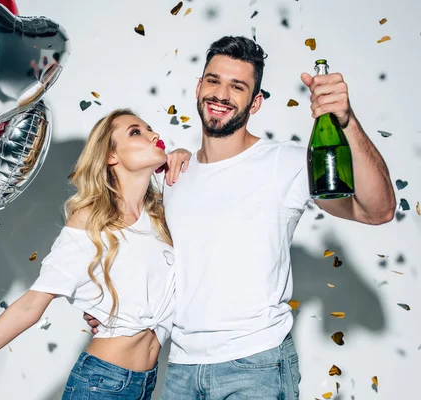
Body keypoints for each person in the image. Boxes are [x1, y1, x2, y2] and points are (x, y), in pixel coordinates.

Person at [85, 36, 396, 399]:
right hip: (181, 369)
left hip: (255, 368)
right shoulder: (172, 173)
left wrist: (347, 120)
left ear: (255, 102)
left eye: (238, 86)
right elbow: (153, 259)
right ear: (199, 87)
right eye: (214, 81)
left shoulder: (286, 162)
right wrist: (112, 308)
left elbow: (378, 210)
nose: (221, 94)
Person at [0, 109, 191, 399]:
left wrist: (189, 162)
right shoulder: (90, 221)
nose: (154, 135)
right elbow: (31, 304)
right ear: (112, 156)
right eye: (136, 132)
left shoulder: (162, 217)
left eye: (150, 128)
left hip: (148, 383)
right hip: (102, 384)